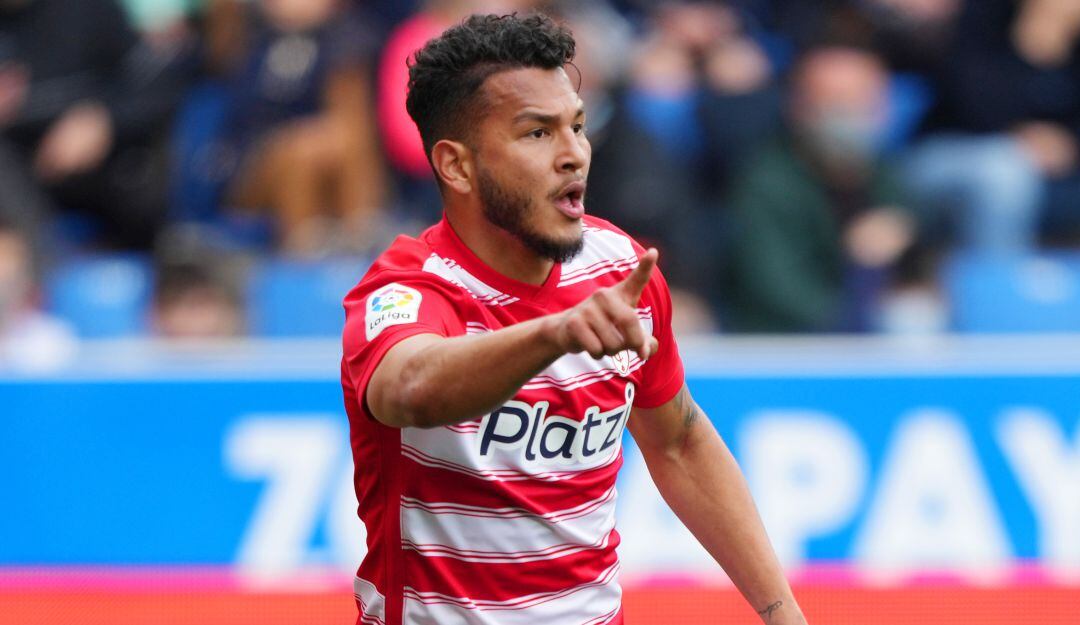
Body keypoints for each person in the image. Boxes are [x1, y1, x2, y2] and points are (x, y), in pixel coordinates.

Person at [340, 13, 806, 625]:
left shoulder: (620, 269)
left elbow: (682, 443)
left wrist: (782, 613)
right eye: (537, 134)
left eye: (579, 126)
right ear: (456, 166)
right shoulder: (406, 289)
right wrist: (554, 332)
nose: (574, 155)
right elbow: (414, 388)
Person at [724, 44, 915, 333]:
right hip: (790, 345)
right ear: (799, 106)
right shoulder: (767, 183)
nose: (849, 114)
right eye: (835, 102)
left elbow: (923, 259)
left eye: (862, 101)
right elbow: (776, 291)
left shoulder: (887, 172)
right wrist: (856, 272)